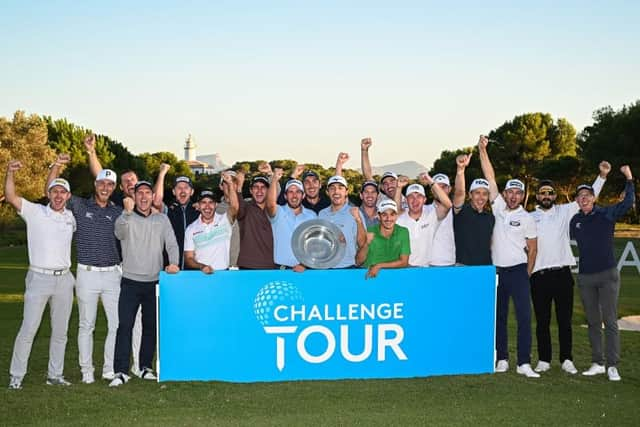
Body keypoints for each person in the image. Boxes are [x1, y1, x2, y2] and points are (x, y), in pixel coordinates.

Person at [46, 153, 124, 384]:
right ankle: (87, 371)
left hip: (112, 274)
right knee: (86, 325)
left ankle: (109, 369)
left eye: (110, 184)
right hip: (86, 274)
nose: (105, 187)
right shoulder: (79, 205)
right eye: (101, 183)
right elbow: (49, 190)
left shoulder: (118, 211)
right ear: (95, 184)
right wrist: (57, 166)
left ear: (113, 188)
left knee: (116, 324)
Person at [529, 162, 610, 375]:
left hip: (562, 274)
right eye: (542, 193)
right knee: (542, 321)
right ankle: (544, 359)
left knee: (564, 320)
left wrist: (602, 175)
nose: (546, 196)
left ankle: (566, 359)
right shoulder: (529, 217)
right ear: (537, 196)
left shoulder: (564, 211)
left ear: (555, 196)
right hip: (538, 276)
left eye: (550, 193)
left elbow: (588, 197)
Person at [6, 160, 76, 389]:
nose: (58, 196)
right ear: (48, 194)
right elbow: (11, 197)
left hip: (64, 279)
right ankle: (16, 376)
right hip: (39, 278)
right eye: (54, 192)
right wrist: (10, 173)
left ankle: (55, 375)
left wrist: (55, 168)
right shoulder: (34, 212)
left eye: (62, 192)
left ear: (68, 196)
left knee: (60, 331)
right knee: (29, 329)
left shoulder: (71, 218)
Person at [479, 135, 539, 378]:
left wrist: (527, 272)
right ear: (504, 193)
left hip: (518, 271)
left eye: (518, 193)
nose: (513, 196)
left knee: (525, 317)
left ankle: (524, 362)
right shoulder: (498, 207)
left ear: (523, 196)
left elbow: (533, 249)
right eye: (510, 192)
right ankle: (502, 358)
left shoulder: (527, 218)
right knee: (499, 317)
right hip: (497, 272)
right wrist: (482, 149)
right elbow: (490, 176)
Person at [109, 181, 179, 387]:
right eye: (139, 193)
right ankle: (120, 371)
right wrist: (127, 213)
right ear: (134, 196)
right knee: (125, 326)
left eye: (147, 193)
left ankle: (145, 366)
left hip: (154, 282)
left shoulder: (162, 219)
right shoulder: (124, 217)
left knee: (150, 327)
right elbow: (119, 233)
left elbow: (172, 243)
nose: (143, 197)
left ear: (152, 196)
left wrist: (173, 263)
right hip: (130, 281)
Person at [570, 165, 635, 381]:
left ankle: (612, 365)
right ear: (577, 201)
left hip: (607, 275)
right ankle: (597, 362)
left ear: (594, 198)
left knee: (610, 320)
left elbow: (627, 203)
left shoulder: (607, 213)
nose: (584, 199)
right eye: (580, 196)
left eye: (587, 195)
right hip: (586, 278)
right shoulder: (575, 221)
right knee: (593, 321)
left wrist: (629, 178)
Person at [184, 173, 239, 273]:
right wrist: (202, 266)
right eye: (203, 202)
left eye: (211, 202)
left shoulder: (224, 220)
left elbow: (234, 207)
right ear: (199, 206)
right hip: (201, 275)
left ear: (216, 205)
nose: (207, 206)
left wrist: (230, 183)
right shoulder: (191, 229)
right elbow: (188, 258)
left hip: (224, 274)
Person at [395, 175, 452, 267]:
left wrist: (431, 181)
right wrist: (398, 188)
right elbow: (396, 210)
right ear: (406, 200)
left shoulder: (431, 213)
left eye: (419, 196)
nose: (415, 200)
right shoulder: (400, 217)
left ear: (425, 199)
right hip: (404, 268)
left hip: (425, 269)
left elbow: (447, 205)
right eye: (411, 197)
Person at [266, 168, 317, 271]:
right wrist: (275, 179)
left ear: (303, 196)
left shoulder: (312, 216)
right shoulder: (278, 211)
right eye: (290, 192)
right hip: (280, 269)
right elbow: (270, 204)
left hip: (303, 270)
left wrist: (304, 264)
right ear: (285, 196)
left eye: (298, 192)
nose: (294, 195)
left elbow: (314, 244)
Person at [451, 152, 494, 266]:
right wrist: (460, 170)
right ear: (470, 195)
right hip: (463, 267)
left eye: (485, 194)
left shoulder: (490, 217)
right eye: (477, 193)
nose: (481, 197)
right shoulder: (461, 211)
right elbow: (459, 193)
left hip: (485, 268)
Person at [319, 175, 367, 269]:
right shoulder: (322, 214)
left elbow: (362, 244)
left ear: (346, 192)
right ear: (327, 192)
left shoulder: (355, 213)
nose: (336, 192)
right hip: (326, 267)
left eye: (340, 188)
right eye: (332, 188)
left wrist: (358, 220)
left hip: (348, 267)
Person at [356, 200, 410, 278]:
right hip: (370, 277)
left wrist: (379, 266)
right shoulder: (369, 231)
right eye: (384, 215)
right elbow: (358, 262)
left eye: (392, 214)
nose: (388, 218)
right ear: (379, 216)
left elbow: (404, 262)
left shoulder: (403, 231)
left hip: (394, 278)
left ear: (396, 216)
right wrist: (366, 244)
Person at [236, 174, 276, 269]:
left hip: (271, 265)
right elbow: (236, 206)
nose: (259, 191)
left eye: (263, 187)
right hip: (247, 266)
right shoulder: (245, 207)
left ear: (268, 190)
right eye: (256, 187)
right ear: (251, 190)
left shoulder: (275, 209)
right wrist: (239, 187)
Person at [424, 173, 456, 266]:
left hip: (451, 263)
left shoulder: (457, 210)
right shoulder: (424, 209)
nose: (440, 190)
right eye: (437, 187)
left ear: (449, 189)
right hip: (428, 264)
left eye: (444, 187)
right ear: (432, 190)